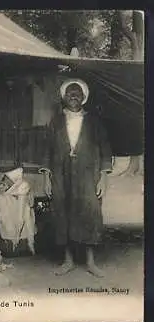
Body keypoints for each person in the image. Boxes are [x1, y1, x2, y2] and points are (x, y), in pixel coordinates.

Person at [39, 78, 112, 277]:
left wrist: (103, 177)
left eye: (77, 93)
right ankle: (68, 261)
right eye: (70, 93)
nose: (73, 96)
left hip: (89, 175)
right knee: (63, 213)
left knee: (90, 212)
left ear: (83, 97)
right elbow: (47, 150)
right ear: (64, 97)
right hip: (61, 175)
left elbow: (105, 149)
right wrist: (47, 177)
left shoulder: (94, 122)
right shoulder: (55, 122)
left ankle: (91, 262)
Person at [0, 167, 36, 255]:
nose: (1, 184)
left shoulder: (1, 199)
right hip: (28, 245)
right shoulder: (27, 197)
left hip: (10, 247)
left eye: (4, 181)